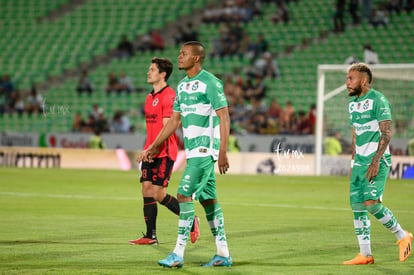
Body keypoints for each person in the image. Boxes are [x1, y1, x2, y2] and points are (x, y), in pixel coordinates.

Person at [138, 41, 233, 268]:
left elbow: (225, 117)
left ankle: (177, 254)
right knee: (208, 201)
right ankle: (223, 253)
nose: (180, 57)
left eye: (185, 54)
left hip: (205, 150)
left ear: (197, 58)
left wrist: (222, 151)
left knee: (183, 195)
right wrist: (153, 146)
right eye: (180, 53)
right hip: (192, 151)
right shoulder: (181, 86)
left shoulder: (210, 83)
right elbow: (174, 121)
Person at [343, 63, 412, 265]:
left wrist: (375, 160)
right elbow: (355, 135)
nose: (347, 82)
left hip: (377, 160)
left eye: (351, 78)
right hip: (360, 163)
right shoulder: (352, 104)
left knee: (371, 204)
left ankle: (402, 236)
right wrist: (353, 163)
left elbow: (387, 132)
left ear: (363, 81)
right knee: (357, 206)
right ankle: (365, 254)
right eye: (347, 78)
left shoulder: (378, 100)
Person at [129, 57, 200, 245]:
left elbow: (167, 128)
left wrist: (153, 148)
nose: (148, 72)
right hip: (150, 151)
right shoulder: (149, 97)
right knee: (146, 188)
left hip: (164, 152)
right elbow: (152, 129)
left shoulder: (169, 96)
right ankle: (150, 236)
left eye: (152, 69)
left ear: (162, 74)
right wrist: (148, 148)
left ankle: (192, 220)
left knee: (159, 194)